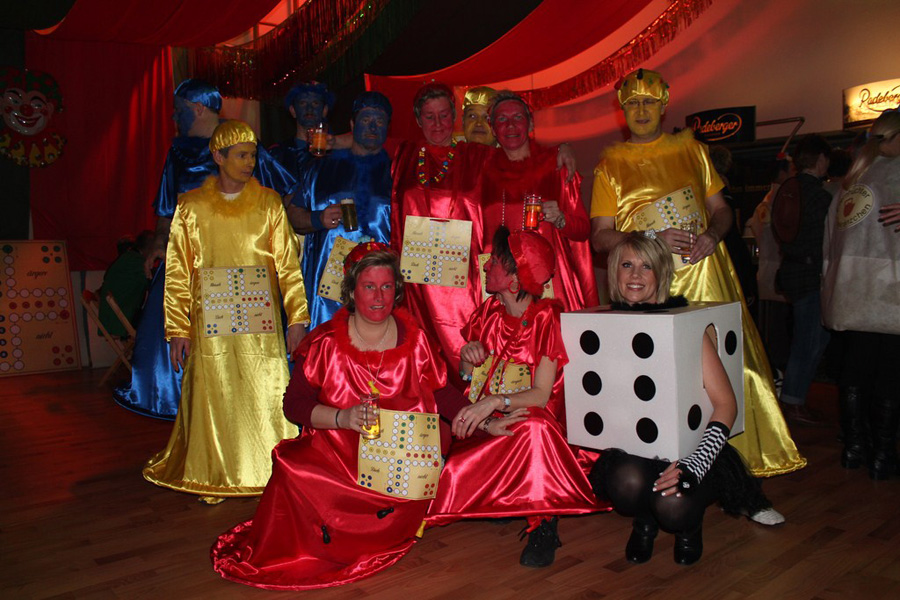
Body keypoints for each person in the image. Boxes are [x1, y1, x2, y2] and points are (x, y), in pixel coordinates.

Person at [212, 244, 468, 589]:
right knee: (291, 469)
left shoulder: (417, 340)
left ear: (397, 290)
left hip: (397, 461)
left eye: (387, 286)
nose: (379, 297)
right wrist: (341, 419)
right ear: (351, 290)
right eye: (369, 286)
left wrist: (480, 417)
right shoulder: (325, 343)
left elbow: (442, 393)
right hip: (336, 453)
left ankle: (369, 533)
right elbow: (294, 405)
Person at [590, 68, 804, 477]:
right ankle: (669, 463)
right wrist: (649, 237)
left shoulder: (694, 151)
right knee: (661, 375)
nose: (641, 109)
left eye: (649, 101)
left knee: (729, 363)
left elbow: (722, 211)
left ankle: (737, 463)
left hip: (705, 272)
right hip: (645, 284)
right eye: (633, 102)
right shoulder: (609, 167)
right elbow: (600, 237)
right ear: (622, 110)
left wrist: (712, 235)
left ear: (663, 106)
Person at [143, 120, 309, 504]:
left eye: (253, 155)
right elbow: (178, 272)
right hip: (211, 324)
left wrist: (298, 319)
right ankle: (214, 472)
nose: (249, 162)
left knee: (264, 391)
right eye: (241, 155)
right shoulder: (191, 207)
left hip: (260, 325)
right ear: (218, 157)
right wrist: (178, 329)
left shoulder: (269, 204)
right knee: (215, 393)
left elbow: (288, 266)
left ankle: (270, 468)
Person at [590, 233, 780, 566]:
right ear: (614, 272)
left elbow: (726, 404)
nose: (635, 275)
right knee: (624, 484)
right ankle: (645, 521)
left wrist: (694, 464)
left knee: (674, 506)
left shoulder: (684, 328)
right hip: (637, 450)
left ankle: (689, 527)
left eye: (647, 266)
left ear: (661, 274)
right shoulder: (604, 328)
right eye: (627, 265)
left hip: (693, 450)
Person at [114, 79, 296, 420]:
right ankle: (180, 402)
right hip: (193, 261)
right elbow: (167, 210)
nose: (174, 116)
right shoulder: (178, 153)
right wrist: (159, 244)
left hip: (242, 266)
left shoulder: (242, 144)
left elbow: (281, 196)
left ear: (197, 108)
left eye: (178, 109)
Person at [427, 227, 607, 568]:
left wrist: (496, 401)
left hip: (530, 433)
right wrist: (467, 359)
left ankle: (544, 522)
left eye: (495, 261)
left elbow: (541, 395)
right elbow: (466, 378)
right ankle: (505, 497)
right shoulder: (488, 312)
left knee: (535, 425)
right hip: (484, 429)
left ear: (514, 279)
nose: (485, 266)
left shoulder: (547, 318)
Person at [390, 82, 493, 382]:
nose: (437, 123)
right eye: (429, 116)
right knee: (423, 357)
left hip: (463, 279)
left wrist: (562, 150)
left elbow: (520, 153)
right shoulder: (405, 154)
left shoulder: (476, 155)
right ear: (418, 119)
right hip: (416, 278)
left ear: (455, 117)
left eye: (444, 115)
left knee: (466, 351)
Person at [822, 111, 900, 480]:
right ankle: (883, 454)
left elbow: (829, 243)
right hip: (889, 291)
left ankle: (854, 448)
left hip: (850, 290)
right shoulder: (895, 174)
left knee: (856, 369)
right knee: (889, 373)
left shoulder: (851, 180)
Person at [481, 91, 598, 311]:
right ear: (493, 128)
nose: (510, 125)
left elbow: (583, 230)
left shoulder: (555, 167)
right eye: (502, 119)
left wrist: (561, 219)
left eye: (518, 117)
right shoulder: (482, 172)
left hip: (549, 284)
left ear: (531, 123)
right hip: (502, 286)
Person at [288, 91, 393, 329]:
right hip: (328, 291)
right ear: (352, 125)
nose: (373, 126)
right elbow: (293, 214)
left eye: (380, 120)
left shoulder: (398, 172)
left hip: (380, 287)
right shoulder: (321, 168)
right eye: (366, 119)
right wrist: (317, 218)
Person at [775, 134, 833, 425]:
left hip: (791, 271)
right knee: (809, 341)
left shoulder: (786, 190)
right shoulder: (821, 197)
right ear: (821, 159)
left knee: (804, 338)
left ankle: (793, 399)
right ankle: (793, 401)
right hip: (812, 275)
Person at [268, 81, 336, 181]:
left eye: (315, 103)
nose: (309, 109)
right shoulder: (277, 155)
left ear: (324, 110)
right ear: (293, 111)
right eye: (303, 103)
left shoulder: (336, 155)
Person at [97, 230, 154, 337]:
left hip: (114, 318)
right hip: (119, 321)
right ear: (150, 248)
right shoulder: (136, 262)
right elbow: (154, 283)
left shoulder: (128, 258)